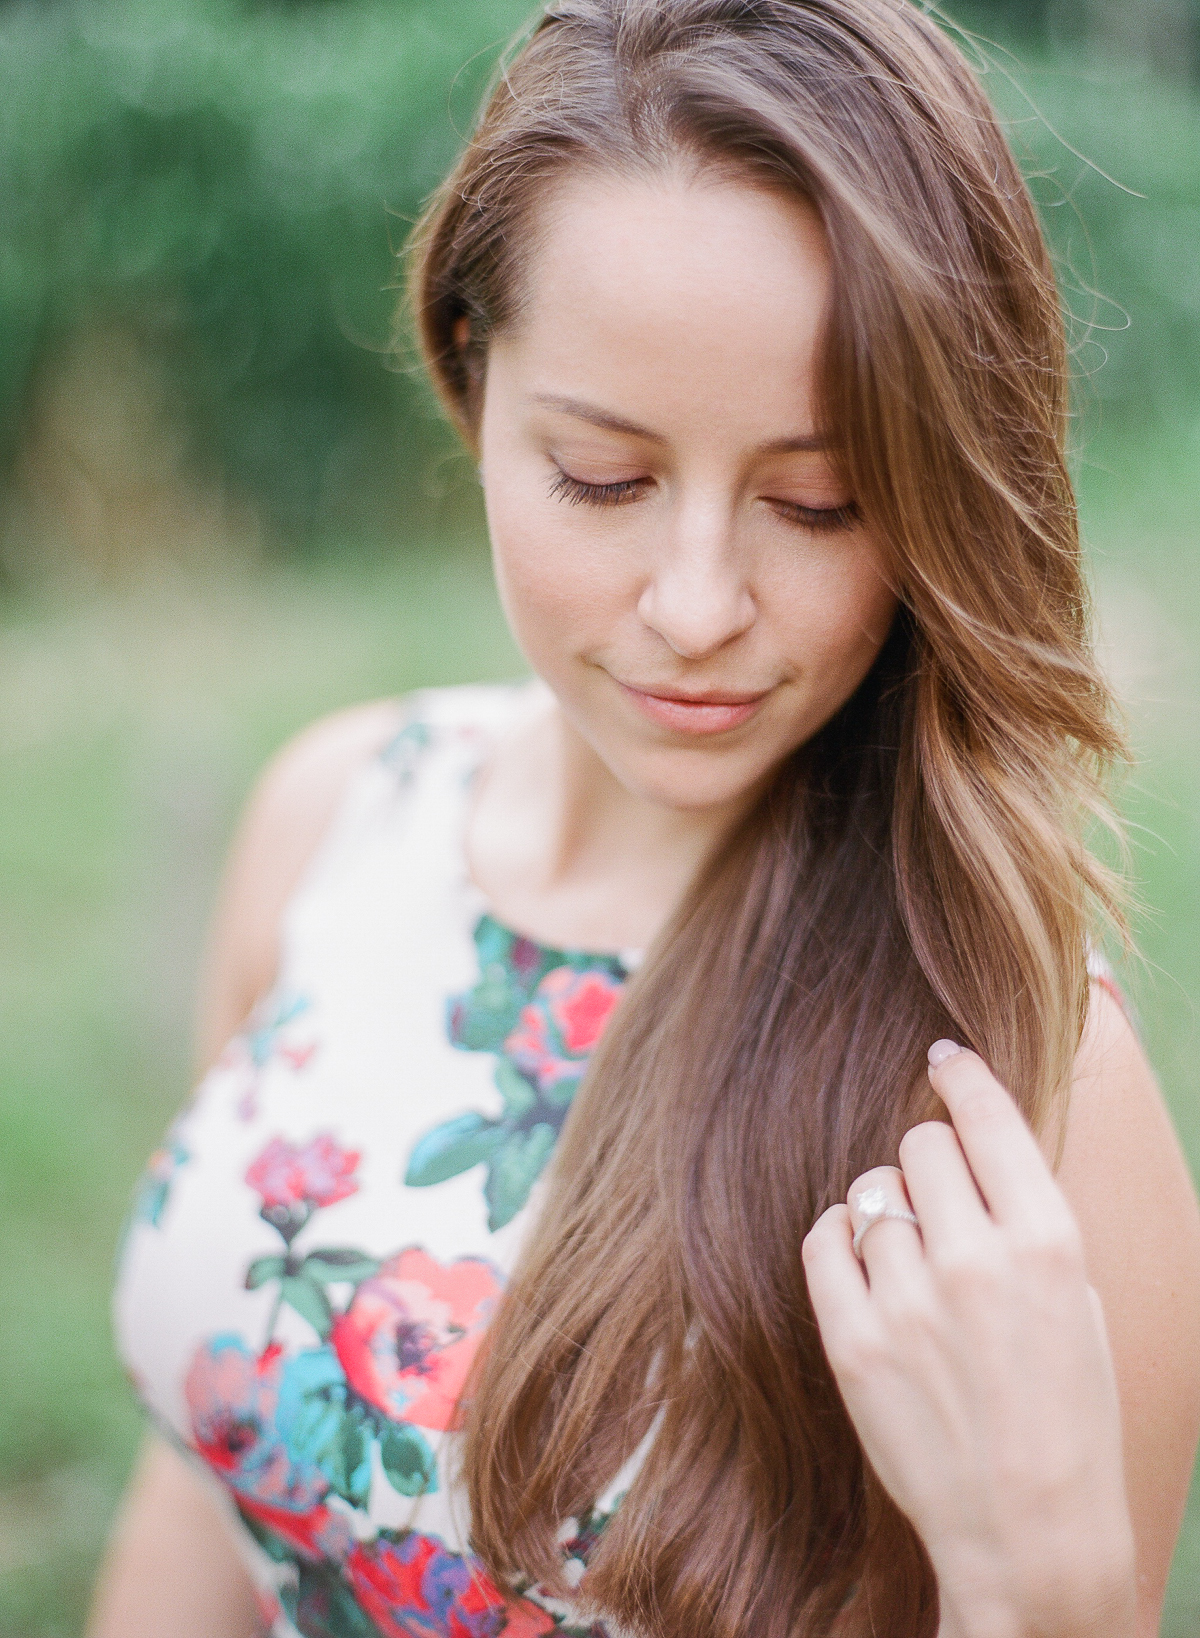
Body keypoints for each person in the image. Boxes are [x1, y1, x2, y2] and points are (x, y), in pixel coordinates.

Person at [89, 2, 1200, 1635]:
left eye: (818, 500)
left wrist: (1045, 1580)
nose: (695, 607)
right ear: (471, 375)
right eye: (604, 477)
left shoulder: (1015, 1077)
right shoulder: (334, 813)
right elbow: (212, 1469)